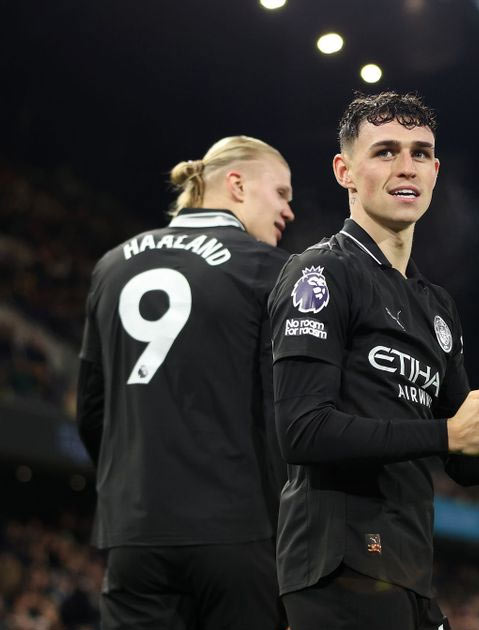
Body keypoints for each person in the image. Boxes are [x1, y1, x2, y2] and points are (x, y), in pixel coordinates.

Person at [267, 91, 479, 630]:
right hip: (338, 568)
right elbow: (303, 431)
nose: (407, 167)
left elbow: (466, 462)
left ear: (435, 172)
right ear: (344, 171)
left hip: (410, 572)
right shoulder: (322, 272)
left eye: (420, 153)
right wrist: (445, 433)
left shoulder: (435, 306)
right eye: (385, 152)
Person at [77, 135, 295, 629]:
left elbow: (91, 412)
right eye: (281, 193)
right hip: (238, 535)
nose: (289, 210)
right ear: (237, 185)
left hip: (134, 535)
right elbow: (282, 414)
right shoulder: (270, 270)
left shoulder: (111, 265)